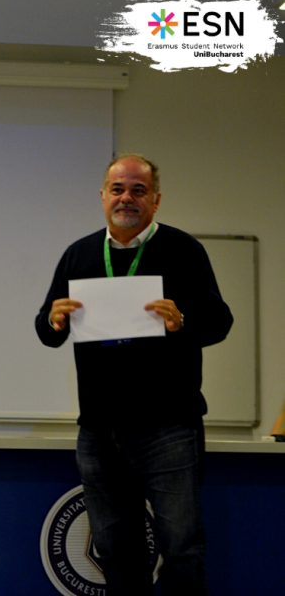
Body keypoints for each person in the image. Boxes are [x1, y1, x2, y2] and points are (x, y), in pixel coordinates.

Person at [35, 154, 233, 595]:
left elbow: (220, 322)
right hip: (99, 430)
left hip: (169, 427)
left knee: (180, 547)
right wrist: (52, 320)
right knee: (114, 549)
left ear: (156, 200)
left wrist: (183, 322)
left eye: (138, 190)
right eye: (118, 189)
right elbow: (46, 332)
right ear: (103, 196)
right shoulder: (79, 254)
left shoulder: (184, 250)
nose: (127, 198)